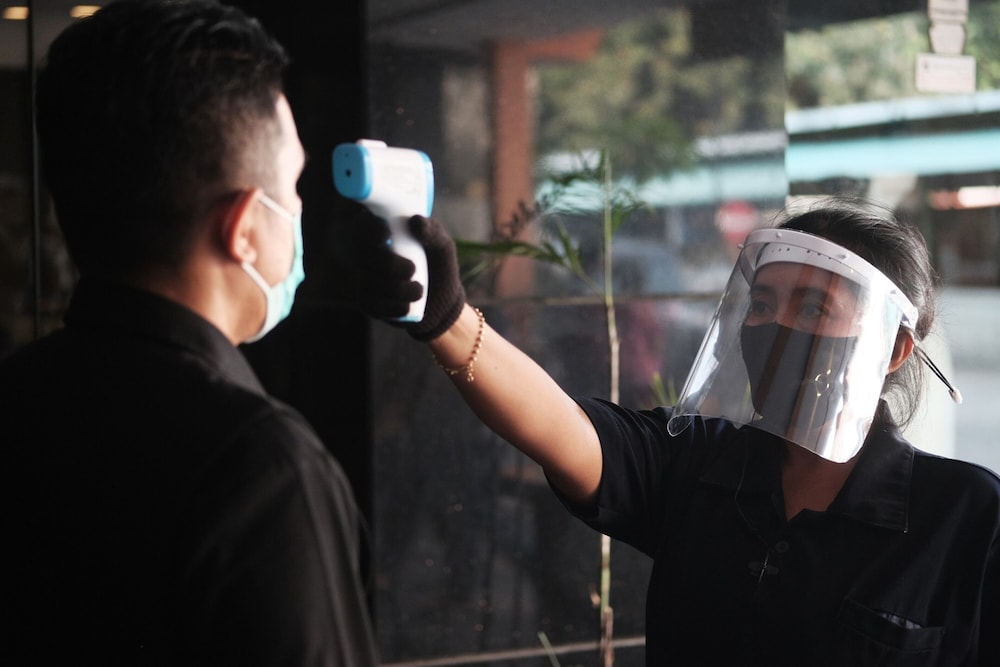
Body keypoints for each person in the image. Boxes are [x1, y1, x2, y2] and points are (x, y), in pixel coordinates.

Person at [357, 196, 1000, 665]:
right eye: (765, 303)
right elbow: (565, 428)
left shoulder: (970, 520)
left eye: (814, 307)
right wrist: (445, 320)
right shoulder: (697, 465)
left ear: (893, 349)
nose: (777, 326)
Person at [1, 1, 379, 664]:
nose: (299, 209)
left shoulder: (17, 394)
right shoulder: (263, 469)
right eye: (291, 185)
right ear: (242, 227)